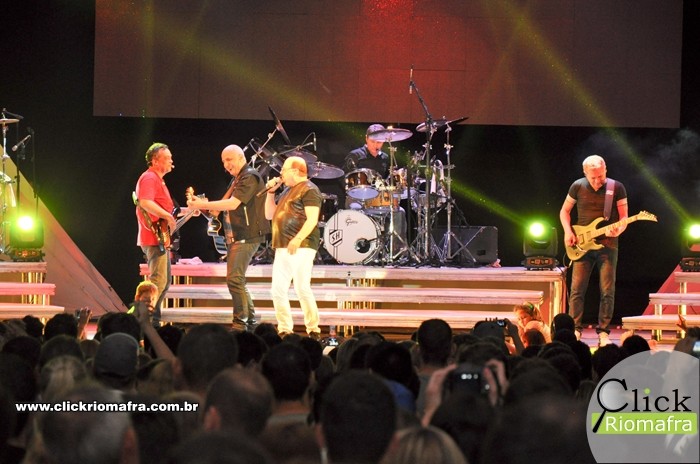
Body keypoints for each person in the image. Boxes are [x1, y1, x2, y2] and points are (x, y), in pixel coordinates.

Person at [188, 144, 271, 331]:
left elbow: (233, 204)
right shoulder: (237, 179)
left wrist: (204, 204)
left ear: (241, 158)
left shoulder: (249, 176)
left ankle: (240, 324)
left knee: (234, 279)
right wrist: (200, 206)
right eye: (223, 161)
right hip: (236, 237)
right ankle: (249, 322)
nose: (226, 164)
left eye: (229, 159)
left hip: (246, 236)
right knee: (237, 280)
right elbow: (219, 210)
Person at [559, 154, 627, 346]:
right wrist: (568, 232)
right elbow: (564, 211)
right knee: (577, 290)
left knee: (607, 290)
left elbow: (624, 218)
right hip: (581, 244)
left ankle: (603, 332)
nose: (598, 181)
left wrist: (618, 230)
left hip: (608, 246)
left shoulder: (617, 187)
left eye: (601, 176)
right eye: (593, 177)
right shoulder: (577, 186)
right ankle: (575, 329)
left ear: (605, 170)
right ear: (585, 173)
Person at [263, 155, 322, 339]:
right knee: (277, 289)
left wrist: (298, 238)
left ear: (295, 171)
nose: (280, 173)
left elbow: (312, 219)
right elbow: (269, 214)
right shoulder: (287, 191)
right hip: (283, 245)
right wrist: (270, 193)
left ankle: (313, 329)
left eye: (284, 170)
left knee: (301, 287)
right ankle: (284, 329)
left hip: (302, 245)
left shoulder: (309, 189)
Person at [135, 142, 176, 322]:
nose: (171, 161)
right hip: (153, 237)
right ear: (155, 161)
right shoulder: (149, 178)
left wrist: (188, 211)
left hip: (159, 238)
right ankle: (146, 321)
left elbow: (164, 209)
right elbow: (145, 202)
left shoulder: (157, 179)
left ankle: (153, 319)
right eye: (167, 158)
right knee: (158, 282)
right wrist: (167, 216)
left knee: (163, 283)